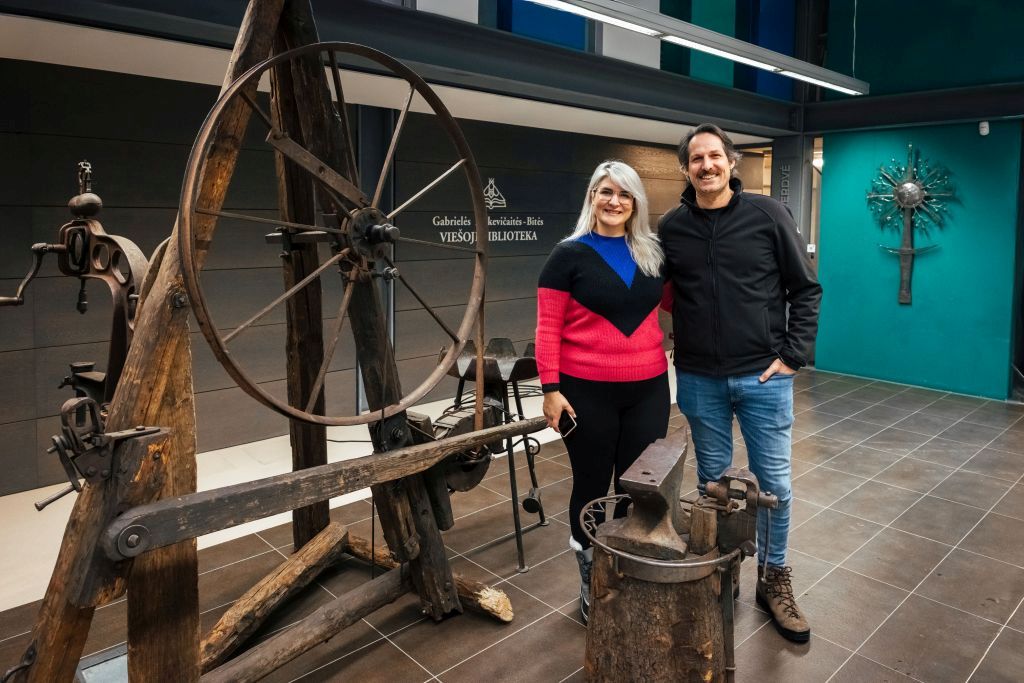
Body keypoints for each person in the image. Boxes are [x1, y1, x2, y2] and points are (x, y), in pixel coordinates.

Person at [660, 123, 822, 643]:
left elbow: (806, 288)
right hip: (700, 378)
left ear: (732, 163)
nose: (705, 165)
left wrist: (793, 356)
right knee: (715, 484)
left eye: (714, 156)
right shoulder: (671, 227)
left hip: (762, 376)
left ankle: (772, 577)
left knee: (773, 485)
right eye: (695, 158)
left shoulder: (768, 215)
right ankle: (722, 568)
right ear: (685, 169)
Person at [535, 160, 670, 625]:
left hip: (649, 388)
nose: (615, 202)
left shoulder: (652, 252)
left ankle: (625, 569)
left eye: (625, 195)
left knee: (636, 485)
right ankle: (591, 573)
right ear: (592, 196)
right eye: (606, 192)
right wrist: (550, 390)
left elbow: (673, 305)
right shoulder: (567, 255)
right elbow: (547, 329)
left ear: (636, 203)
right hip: (585, 391)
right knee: (591, 485)